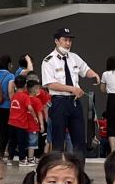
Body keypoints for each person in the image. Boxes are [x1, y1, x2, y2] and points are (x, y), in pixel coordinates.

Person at [42, 27, 98, 155]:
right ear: (57, 41)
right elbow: (50, 84)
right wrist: (72, 89)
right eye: (65, 40)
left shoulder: (74, 57)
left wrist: (94, 74)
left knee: (79, 140)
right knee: (58, 141)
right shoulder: (48, 61)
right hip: (59, 102)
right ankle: (58, 166)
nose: (68, 43)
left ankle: (79, 167)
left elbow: (85, 70)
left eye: (70, 41)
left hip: (74, 102)